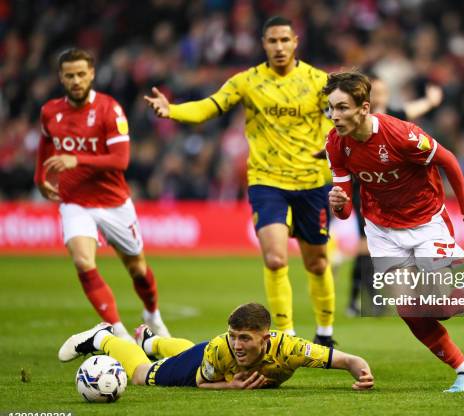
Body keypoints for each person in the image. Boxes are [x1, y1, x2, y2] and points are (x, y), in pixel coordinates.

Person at [144, 16, 336, 346]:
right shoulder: (247, 81)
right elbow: (209, 107)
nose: (279, 47)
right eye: (272, 41)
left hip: (312, 181)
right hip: (268, 181)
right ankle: (286, 336)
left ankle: (325, 334)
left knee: (317, 263)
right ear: (263, 44)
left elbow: (338, 120)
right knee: (275, 258)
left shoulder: (319, 82)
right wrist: (172, 110)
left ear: (295, 42)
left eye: (284, 40)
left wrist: (332, 149)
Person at [324, 71, 464, 392]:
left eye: (343, 108)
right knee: (409, 310)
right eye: (331, 108)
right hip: (382, 230)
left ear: (364, 108)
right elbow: (346, 208)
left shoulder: (401, 134)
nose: (335, 116)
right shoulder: (335, 144)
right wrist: (338, 203)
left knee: (442, 308)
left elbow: (448, 160)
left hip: (426, 222)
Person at [34, 48, 170, 341]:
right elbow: (46, 142)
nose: (76, 81)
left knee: (137, 267)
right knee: (83, 261)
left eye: (81, 74)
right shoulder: (50, 111)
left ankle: (152, 315)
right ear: (61, 77)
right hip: (74, 201)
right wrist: (39, 176)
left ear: (92, 74)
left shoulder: (111, 109)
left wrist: (76, 160)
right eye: (69, 75)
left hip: (113, 201)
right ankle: (119, 333)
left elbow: (120, 160)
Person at [58, 303, 374, 390]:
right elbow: (201, 381)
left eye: (244, 338)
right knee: (141, 374)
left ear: (265, 338)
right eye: (233, 335)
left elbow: (349, 360)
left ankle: (152, 341)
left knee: (190, 350)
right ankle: (103, 337)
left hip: (209, 357)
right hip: (206, 365)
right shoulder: (221, 350)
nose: (237, 344)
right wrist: (230, 386)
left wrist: (363, 374)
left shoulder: (291, 349)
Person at [346, 76, 444, 316]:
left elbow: (412, 109)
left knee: (377, 248)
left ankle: (380, 297)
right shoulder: (354, 119)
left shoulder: (394, 115)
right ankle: (362, 297)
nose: (380, 95)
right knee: (363, 247)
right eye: (375, 91)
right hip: (365, 190)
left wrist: (431, 102)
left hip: (391, 195)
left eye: (383, 91)